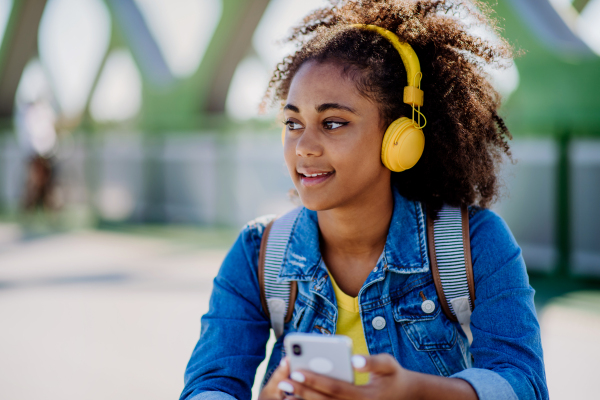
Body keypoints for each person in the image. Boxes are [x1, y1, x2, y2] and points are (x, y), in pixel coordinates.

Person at [180, 1, 548, 399]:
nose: (303, 147)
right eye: (292, 123)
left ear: (400, 139)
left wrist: (414, 392)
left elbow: (522, 383)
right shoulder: (257, 254)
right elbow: (209, 386)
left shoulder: (472, 243)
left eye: (333, 123)